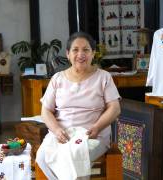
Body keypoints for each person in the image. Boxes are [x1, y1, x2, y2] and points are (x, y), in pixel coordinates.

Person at [36, 31, 121, 179]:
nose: (80, 54)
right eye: (75, 50)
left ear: (93, 53)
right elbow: (46, 111)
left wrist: (97, 127)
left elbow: (115, 108)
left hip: (92, 135)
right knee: (42, 157)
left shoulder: (103, 77)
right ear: (68, 54)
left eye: (86, 50)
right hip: (61, 134)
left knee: (74, 156)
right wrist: (56, 130)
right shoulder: (57, 79)